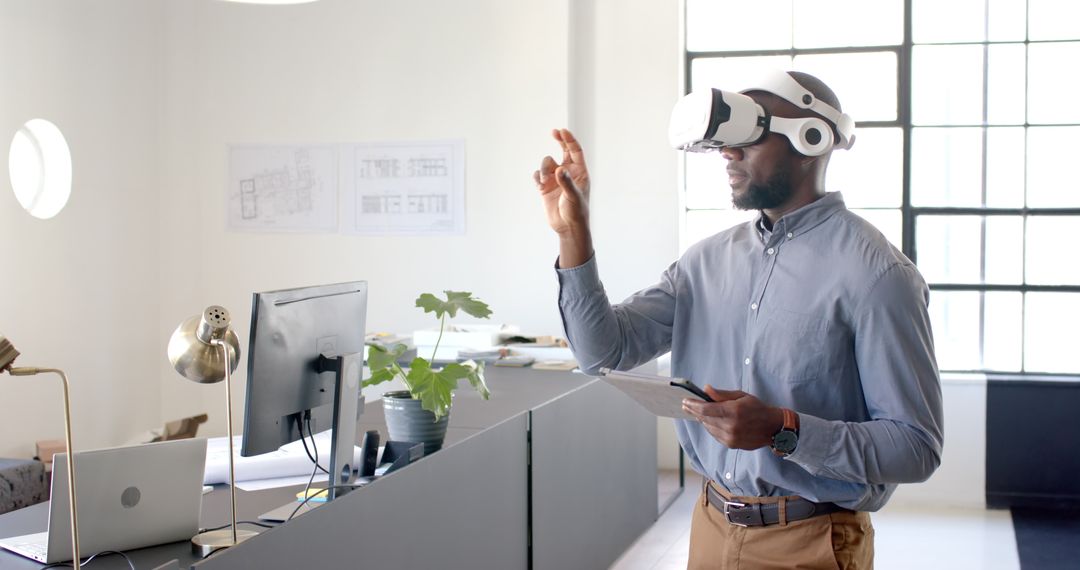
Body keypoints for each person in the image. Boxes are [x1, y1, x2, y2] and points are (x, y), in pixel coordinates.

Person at [533, 70, 944, 569]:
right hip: (711, 523)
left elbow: (915, 447)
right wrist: (573, 234)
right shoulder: (704, 262)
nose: (728, 152)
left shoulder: (878, 275)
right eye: (725, 140)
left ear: (811, 140)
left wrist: (782, 429)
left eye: (749, 135)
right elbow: (603, 352)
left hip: (811, 541)